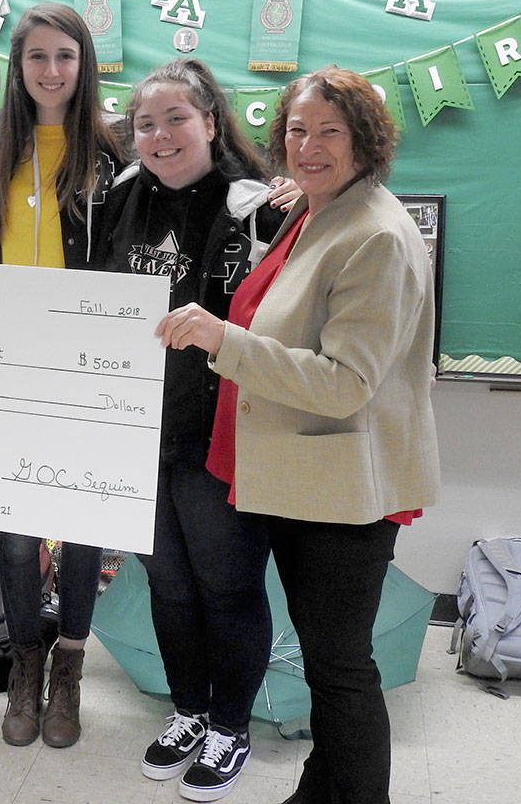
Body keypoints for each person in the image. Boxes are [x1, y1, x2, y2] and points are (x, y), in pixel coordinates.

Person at [156, 66, 440, 804]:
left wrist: (223, 341)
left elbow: (345, 383)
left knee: (341, 669)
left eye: (330, 132)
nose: (308, 146)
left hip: (344, 495)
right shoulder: (320, 211)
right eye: (296, 130)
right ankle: (319, 792)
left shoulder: (374, 235)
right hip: (309, 482)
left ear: (365, 140)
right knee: (325, 663)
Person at [101, 58, 286, 802]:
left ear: (210, 122)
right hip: (136, 430)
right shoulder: (116, 199)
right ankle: (189, 711)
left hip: (221, 434)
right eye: (145, 123)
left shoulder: (261, 207)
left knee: (227, 584)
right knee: (167, 584)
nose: (160, 135)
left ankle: (231, 726)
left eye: (176, 118)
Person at [0, 1, 125, 749]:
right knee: (18, 525)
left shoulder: (115, 145)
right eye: (37, 57)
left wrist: (272, 190)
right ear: (17, 66)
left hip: (88, 364)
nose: (51, 71)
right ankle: (24, 662)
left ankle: (69, 668)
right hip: (9, 362)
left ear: (83, 64)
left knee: (83, 529)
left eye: (65, 56)